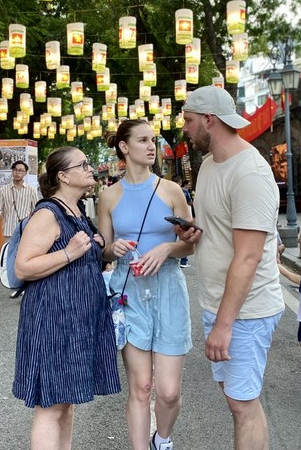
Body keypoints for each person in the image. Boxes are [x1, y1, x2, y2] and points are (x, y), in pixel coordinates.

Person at [179, 85, 284, 450]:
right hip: (219, 304)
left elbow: (249, 257)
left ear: (210, 120)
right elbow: (221, 228)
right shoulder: (209, 165)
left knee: (242, 405)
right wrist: (193, 230)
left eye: (189, 122)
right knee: (240, 400)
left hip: (246, 311)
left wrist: (224, 325)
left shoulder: (250, 173)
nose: (186, 130)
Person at [12, 147, 120, 448]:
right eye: (82, 164)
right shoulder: (48, 213)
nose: (90, 168)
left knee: (67, 401)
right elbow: (24, 266)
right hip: (54, 318)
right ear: (63, 176)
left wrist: (99, 248)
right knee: (51, 405)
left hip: (78, 317)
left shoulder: (77, 211)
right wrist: (69, 252)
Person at [98, 120, 194, 450]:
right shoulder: (108, 196)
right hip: (129, 293)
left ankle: (162, 439)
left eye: (152, 140)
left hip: (168, 289)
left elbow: (191, 243)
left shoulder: (172, 191)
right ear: (124, 148)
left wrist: (168, 248)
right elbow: (104, 249)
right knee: (140, 387)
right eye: (142, 140)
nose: (152, 146)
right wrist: (114, 249)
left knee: (168, 392)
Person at [0, 160, 39, 245]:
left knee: (24, 256)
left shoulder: (31, 191)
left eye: (21, 170)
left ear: (25, 173)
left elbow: (36, 211)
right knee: (10, 255)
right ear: (12, 171)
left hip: (26, 230)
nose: (17, 172)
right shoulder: (3, 190)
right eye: (15, 170)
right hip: (8, 230)